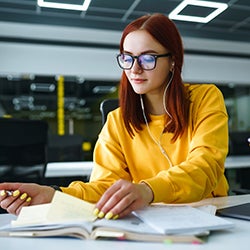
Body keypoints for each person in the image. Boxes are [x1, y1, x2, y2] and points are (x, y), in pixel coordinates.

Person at [0, 13, 229, 219]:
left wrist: (147, 190)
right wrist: (54, 195)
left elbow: (205, 166)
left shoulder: (204, 98)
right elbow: (104, 186)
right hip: (148, 220)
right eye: (127, 58)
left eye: (147, 58)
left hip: (209, 212)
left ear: (173, 61)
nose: (134, 69)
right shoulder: (117, 120)